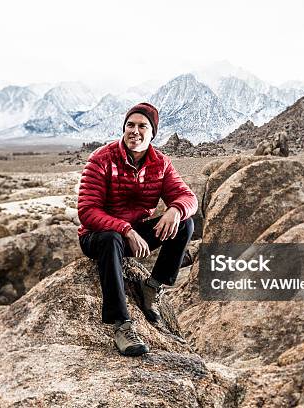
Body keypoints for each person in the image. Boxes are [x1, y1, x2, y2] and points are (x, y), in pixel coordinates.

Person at [77, 102, 197, 356]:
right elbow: (87, 212)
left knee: (185, 222)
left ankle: (152, 287)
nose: (135, 130)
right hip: (98, 236)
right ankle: (121, 324)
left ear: (152, 133)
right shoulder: (101, 159)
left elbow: (188, 198)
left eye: (142, 126)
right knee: (111, 238)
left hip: (134, 234)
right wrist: (125, 230)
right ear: (123, 128)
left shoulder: (160, 164)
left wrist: (175, 210)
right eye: (130, 125)